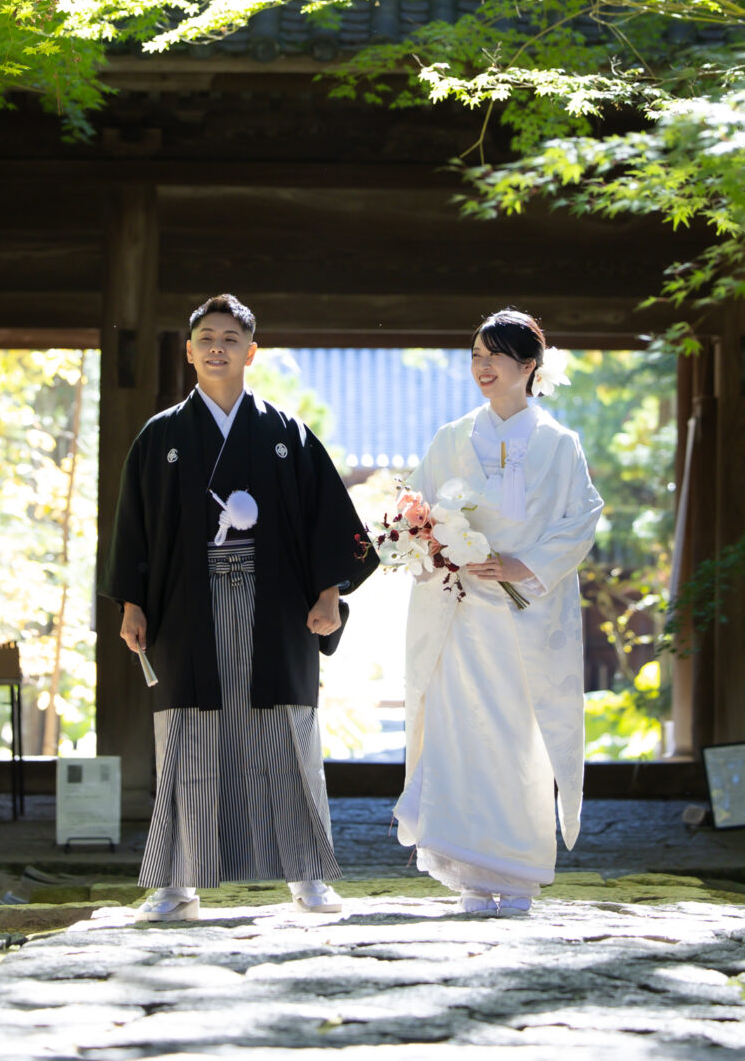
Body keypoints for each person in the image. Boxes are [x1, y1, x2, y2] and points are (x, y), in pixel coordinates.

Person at [104, 293, 377, 922]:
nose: (217, 347)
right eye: (205, 337)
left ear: (251, 351)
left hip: (275, 605)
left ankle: (307, 879)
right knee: (187, 737)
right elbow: (134, 529)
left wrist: (329, 594)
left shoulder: (286, 435)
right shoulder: (162, 436)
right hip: (185, 608)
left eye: (230, 337)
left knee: (286, 733)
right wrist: (132, 603)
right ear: (190, 350)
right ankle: (176, 885)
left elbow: (326, 522)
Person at [393, 308, 605, 915]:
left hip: (526, 614)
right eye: (477, 356)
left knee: (520, 737)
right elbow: (418, 505)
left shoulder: (560, 444)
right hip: (460, 614)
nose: (482, 367)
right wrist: (434, 542)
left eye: (495, 357)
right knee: (461, 735)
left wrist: (523, 565)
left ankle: (516, 872)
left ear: (529, 367)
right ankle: (469, 873)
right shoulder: (452, 436)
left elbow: (582, 518)